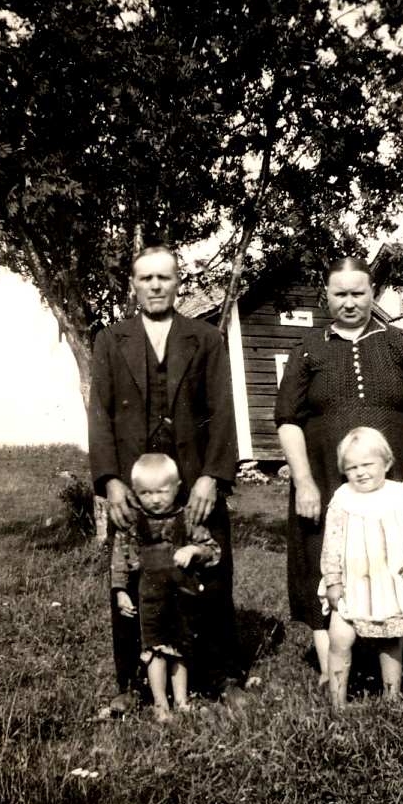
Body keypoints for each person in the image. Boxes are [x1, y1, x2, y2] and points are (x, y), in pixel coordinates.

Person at [275, 256, 403, 686]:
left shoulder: (401, 342)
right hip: (327, 478)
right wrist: (304, 482)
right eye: (340, 294)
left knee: (395, 556)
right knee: (324, 557)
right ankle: (330, 668)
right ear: (326, 297)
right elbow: (287, 419)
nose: (349, 302)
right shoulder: (308, 349)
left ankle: (393, 659)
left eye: (358, 293)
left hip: (396, 478)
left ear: (372, 293)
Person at [89, 245, 246, 713]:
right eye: (145, 278)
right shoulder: (110, 340)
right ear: (133, 285)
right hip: (138, 486)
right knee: (135, 579)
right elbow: (99, 416)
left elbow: (222, 411)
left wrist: (212, 477)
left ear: (179, 282)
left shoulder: (204, 337)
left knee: (213, 577)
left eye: (164, 277)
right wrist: (111, 481)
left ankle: (222, 675)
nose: (155, 286)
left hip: (194, 481)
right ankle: (131, 684)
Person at [318, 427, 403, 708]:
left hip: (388, 586)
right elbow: (332, 544)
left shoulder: (402, 496)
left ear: (386, 463)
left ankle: (391, 698)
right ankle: (337, 705)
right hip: (350, 585)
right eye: (351, 468)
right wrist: (332, 581)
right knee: (340, 640)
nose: (360, 473)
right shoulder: (342, 500)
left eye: (367, 465)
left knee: (389, 643)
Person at [111, 453, 221, 722]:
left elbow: (214, 552)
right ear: (136, 493)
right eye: (146, 493)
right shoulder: (133, 525)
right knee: (156, 652)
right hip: (150, 600)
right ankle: (161, 704)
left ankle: (182, 701)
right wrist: (121, 591)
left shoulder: (188, 520)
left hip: (182, 598)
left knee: (180, 650)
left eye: (162, 491)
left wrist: (194, 550)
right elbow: (120, 560)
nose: (155, 499)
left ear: (177, 487)